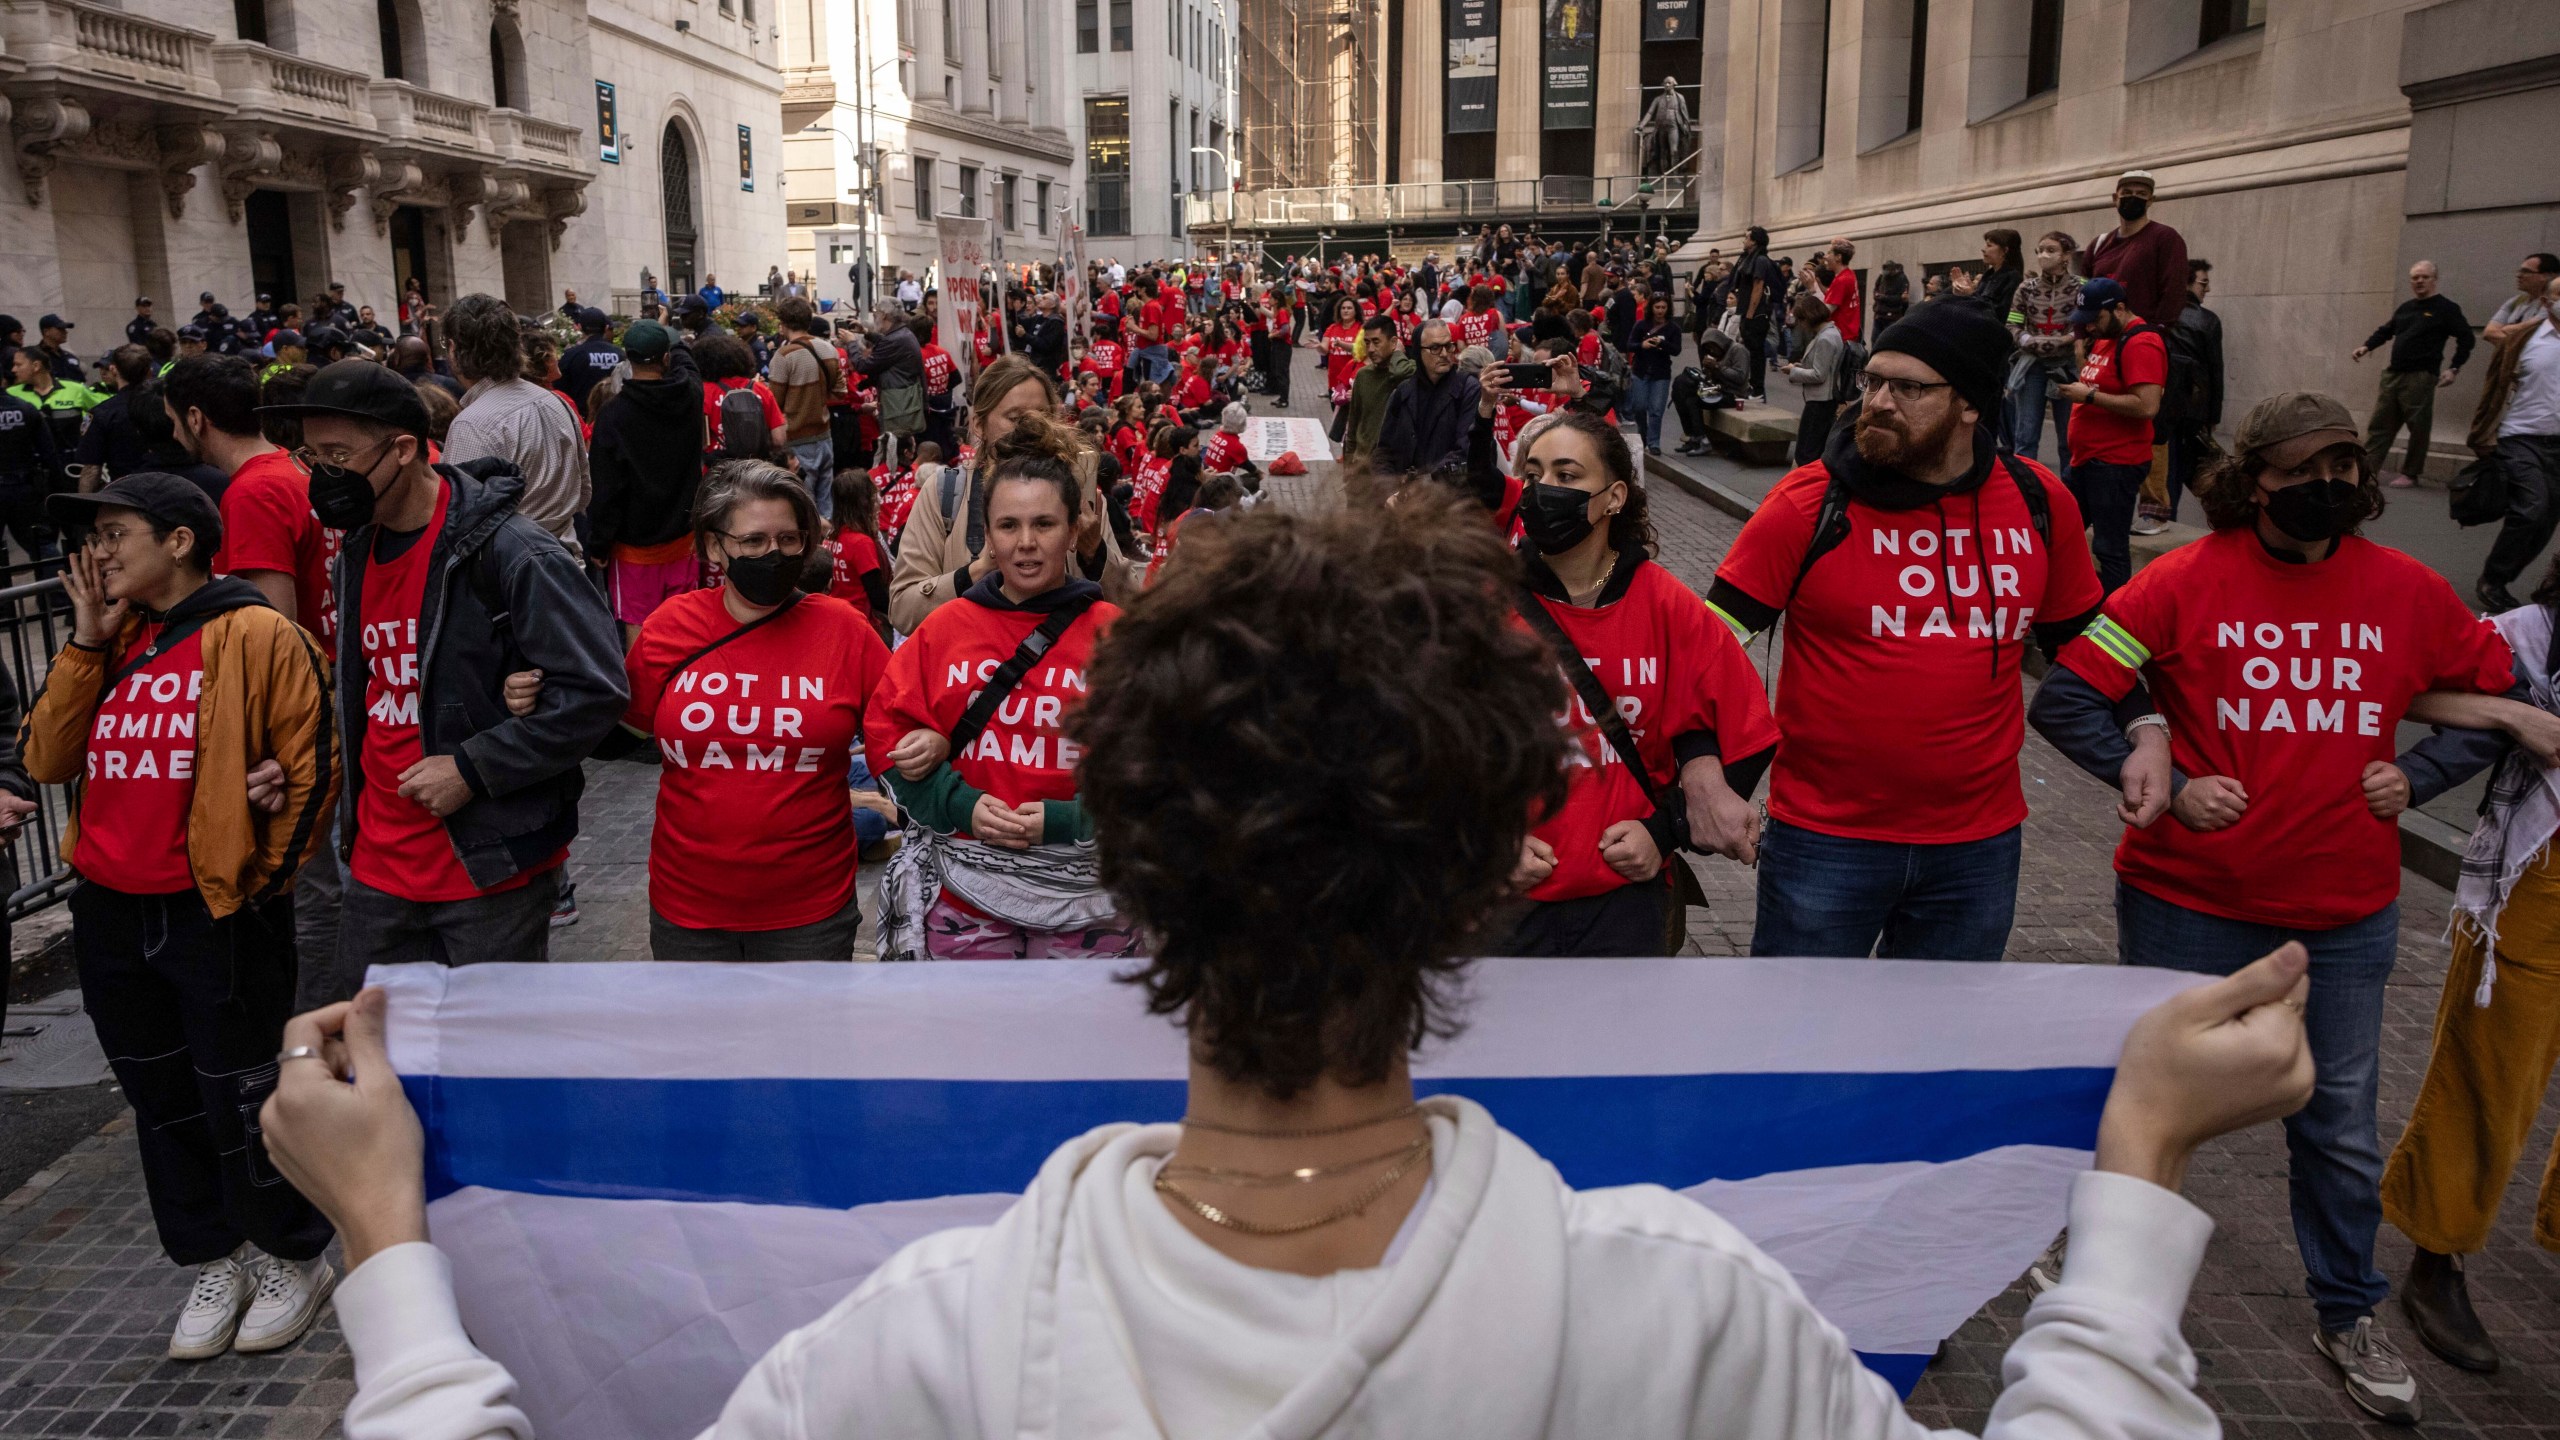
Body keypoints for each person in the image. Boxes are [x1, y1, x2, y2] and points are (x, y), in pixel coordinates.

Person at [273, 485, 2328, 1440]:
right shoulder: (1690, 1331)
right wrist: (2133, 1176)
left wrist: (386, 1252)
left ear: (1138, 882)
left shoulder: (922, 1356)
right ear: (1470, 885)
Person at [2030, 390, 2520, 1425]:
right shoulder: (2179, 583)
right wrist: (2154, 767)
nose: (2328, 486)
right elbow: (2071, 692)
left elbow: (2491, 698)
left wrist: (2418, 777)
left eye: (2345, 468)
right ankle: (2094, 1277)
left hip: (2342, 912)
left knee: (2337, 1125)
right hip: (2185, 901)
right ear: (2254, 480)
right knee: (2144, 1100)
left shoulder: (2408, 591)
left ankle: (2346, 1310)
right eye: (2304, 470)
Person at [27, 473, 338, 1361]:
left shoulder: (257, 633)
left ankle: (290, 1252)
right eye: (95, 537)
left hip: (215, 909)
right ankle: (216, 1253)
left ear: (180, 542)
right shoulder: (112, 640)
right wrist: (85, 643)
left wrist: (254, 883)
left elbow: (311, 768)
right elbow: (48, 758)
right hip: (112, 910)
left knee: (245, 1092)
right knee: (159, 1097)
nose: (100, 553)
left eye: (117, 532)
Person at [1708, 301, 2103, 960]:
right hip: (1825, 841)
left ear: (1971, 405)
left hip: (1979, 848)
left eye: (1909, 388)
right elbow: (1710, 644)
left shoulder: (2039, 500)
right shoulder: (1808, 502)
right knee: (1799, 1045)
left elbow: (2082, 639)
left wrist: (2146, 728)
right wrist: (1711, 776)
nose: (1880, 402)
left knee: (1936, 1053)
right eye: (1873, 382)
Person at [265, 361, 626, 988]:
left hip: (487, 871)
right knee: (381, 1063)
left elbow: (596, 691)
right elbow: (369, 693)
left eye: (338, 455)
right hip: (377, 866)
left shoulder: (515, 553)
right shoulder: (357, 549)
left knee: (492, 1068)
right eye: (310, 456)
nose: (321, 475)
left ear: (403, 449)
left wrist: (471, 766)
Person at [1482, 406, 1774, 954]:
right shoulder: (1481, 602)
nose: (1544, 489)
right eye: (1534, 474)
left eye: (1567, 476)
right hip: (1501, 897)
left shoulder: (1667, 605)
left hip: (1625, 901)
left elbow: (1746, 729)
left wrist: (1666, 833)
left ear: (1614, 496)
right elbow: (1422, 746)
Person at [2378, 549, 2560, 1378]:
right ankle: (2437, 1256)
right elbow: (2400, 683)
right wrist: (2514, 719)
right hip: (2541, 878)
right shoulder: (2531, 633)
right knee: (2493, 1070)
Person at [868, 413, 1139, 961]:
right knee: (973, 1045)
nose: (1027, 543)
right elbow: (885, 738)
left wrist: (1074, 820)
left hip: (1090, 896)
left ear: (1073, 529)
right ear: (987, 536)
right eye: (1009, 526)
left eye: (1045, 524)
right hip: (967, 894)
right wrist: (958, 804)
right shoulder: (944, 628)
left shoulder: (1118, 634)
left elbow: (1165, 764)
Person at [611, 461, 892, 960]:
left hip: (810, 913)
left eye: (789, 539)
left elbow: (901, 732)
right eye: (754, 541)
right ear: (715, 546)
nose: (774, 554)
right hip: (687, 910)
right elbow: (620, 733)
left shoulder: (844, 630)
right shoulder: (670, 627)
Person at [887, 354, 1139, 632]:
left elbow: (1131, 613)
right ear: (979, 424)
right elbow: (904, 610)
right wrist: (980, 570)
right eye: (1015, 418)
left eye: (1042, 417)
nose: (1031, 429)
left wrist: (1095, 554)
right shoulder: (944, 493)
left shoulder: (1082, 499)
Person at [588, 321, 712, 640]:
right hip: (683, 541)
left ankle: (643, 691)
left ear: (627, 359)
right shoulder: (690, 393)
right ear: (666, 358)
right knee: (682, 624)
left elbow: (607, 489)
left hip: (634, 550)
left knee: (639, 630)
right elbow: (687, 362)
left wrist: (599, 543)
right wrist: (667, 328)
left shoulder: (613, 416)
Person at [439, 295, 589, 551]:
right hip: (565, 562)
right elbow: (584, 492)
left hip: (511, 577)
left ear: (453, 348)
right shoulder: (556, 402)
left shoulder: (473, 425)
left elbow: (458, 525)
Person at [2059, 277, 2166, 595]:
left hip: (2115, 464)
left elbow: (2147, 405)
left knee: (2110, 548)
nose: (2089, 327)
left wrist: (2088, 397)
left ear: (2119, 308)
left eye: (2095, 319)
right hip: (2087, 461)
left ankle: (2112, 620)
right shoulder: (2108, 336)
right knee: (2060, 531)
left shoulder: (2141, 341)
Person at [2353, 260, 2473, 489]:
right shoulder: (2406, 308)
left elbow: (2466, 338)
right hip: (2394, 375)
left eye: (2424, 277)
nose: (2419, 281)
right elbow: (2387, 331)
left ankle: (2411, 473)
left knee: (2418, 427)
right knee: (2380, 425)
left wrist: (2454, 368)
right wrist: (2367, 346)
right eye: (2415, 278)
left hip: (2421, 376)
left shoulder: (2446, 309)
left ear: (2434, 280)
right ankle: (2367, 471)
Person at [2479, 275, 2560, 613]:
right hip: (2520, 438)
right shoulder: (2524, 339)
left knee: (2547, 519)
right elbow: (2494, 385)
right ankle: (2492, 580)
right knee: (2531, 509)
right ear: (2546, 301)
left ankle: (2507, 577)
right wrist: (2483, 433)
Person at [2008, 232, 2082, 476]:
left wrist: (2067, 339)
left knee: (2068, 440)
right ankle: (2026, 489)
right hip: (2033, 367)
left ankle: (2070, 493)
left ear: (2067, 255)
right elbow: (2013, 323)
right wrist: (2026, 339)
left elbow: (2086, 325)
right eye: (2040, 250)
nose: (2044, 255)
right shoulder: (2026, 288)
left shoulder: (2081, 288)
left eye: (2051, 250)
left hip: (2067, 368)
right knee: (2025, 436)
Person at [1373, 321, 1482, 481]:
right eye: (1435, 348)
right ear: (1418, 352)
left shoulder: (1468, 389)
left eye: (1448, 346)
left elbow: (1465, 451)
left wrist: (1423, 484)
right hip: (1401, 499)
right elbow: (1384, 451)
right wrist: (1388, 491)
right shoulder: (1403, 393)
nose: (1444, 354)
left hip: (1449, 498)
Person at [2082, 169, 2189, 325]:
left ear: (2151, 200)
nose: (2133, 197)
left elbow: (2174, 292)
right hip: (2101, 341)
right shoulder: (2098, 245)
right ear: (2114, 198)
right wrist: (2081, 333)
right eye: (2126, 192)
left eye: (2141, 194)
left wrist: (2157, 332)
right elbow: (2083, 290)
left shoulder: (2165, 238)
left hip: (2142, 338)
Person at [768, 297, 841, 513]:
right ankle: (827, 545)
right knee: (825, 504)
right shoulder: (829, 350)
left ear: (783, 324)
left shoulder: (783, 356)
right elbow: (840, 393)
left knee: (802, 507)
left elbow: (774, 404)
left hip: (797, 440)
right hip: (825, 435)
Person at [2167, 260, 2226, 516]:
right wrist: (2213, 416)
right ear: (2187, 283)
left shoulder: (2162, 314)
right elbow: (2215, 371)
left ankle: (2162, 513)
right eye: (2203, 283)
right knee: (2185, 464)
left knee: (2167, 464)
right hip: (2193, 407)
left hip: (2162, 403)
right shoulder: (2208, 320)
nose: (2208, 289)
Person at [1773, 291, 1843, 467]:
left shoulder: (1825, 338)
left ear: (1809, 318)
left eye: (1801, 320)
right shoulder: (1831, 333)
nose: (1800, 325)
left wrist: (1794, 371)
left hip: (1820, 401)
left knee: (1806, 451)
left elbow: (1819, 374)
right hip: (1823, 400)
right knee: (1813, 449)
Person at [1340, 313, 1413, 474]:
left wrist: (1398, 354)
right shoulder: (1363, 375)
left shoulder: (1408, 373)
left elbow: (1400, 372)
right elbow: (1353, 423)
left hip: (1390, 469)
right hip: (1362, 466)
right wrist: (1348, 465)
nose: (1371, 349)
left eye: (1376, 342)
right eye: (1367, 343)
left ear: (1393, 342)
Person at [1624, 296, 1682, 459]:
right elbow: (1630, 344)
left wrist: (1662, 344)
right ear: (1652, 308)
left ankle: (1654, 442)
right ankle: (1643, 435)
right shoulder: (1641, 325)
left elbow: (1677, 350)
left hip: (1661, 373)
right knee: (1639, 407)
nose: (1660, 311)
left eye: (1663, 307)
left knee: (1656, 410)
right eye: (1657, 307)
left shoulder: (1673, 329)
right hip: (1641, 370)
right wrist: (1642, 345)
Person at [1732, 227, 1784, 399]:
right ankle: (1753, 388)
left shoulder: (1760, 260)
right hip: (1751, 312)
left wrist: (1750, 313)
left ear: (1754, 241)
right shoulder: (1750, 258)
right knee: (1750, 351)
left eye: (1746, 237)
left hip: (1757, 314)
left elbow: (1758, 287)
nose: (1744, 241)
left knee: (1756, 352)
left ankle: (1758, 390)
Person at [2482, 253, 2559, 347]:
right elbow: (2489, 333)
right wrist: (2525, 346)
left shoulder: (2552, 304)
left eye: (2526, 272)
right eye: (2520, 271)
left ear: (2547, 275)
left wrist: (2506, 330)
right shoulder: (2515, 301)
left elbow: (2526, 328)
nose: (2519, 275)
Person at [558, 309, 623, 417]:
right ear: (606, 327)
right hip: (615, 418)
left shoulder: (571, 356)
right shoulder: (620, 354)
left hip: (581, 421)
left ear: (580, 327)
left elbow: (560, 390)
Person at [1950, 229, 2025, 322]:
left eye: (1989, 245)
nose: (1983, 249)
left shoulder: (2013, 278)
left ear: (2005, 250)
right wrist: (1961, 291)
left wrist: (1971, 294)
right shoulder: (1988, 276)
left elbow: (2001, 314)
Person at [1821, 239, 1861, 343]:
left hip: (1841, 336)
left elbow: (1825, 312)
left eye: (1829, 253)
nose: (1825, 256)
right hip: (1847, 335)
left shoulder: (1841, 280)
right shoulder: (1849, 274)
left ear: (1838, 257)